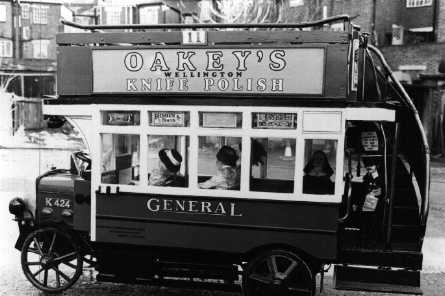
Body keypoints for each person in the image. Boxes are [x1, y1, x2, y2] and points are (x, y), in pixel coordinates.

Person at [357, 157, 384, 247]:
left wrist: (371, 194)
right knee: (364, 222)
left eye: (371, 165)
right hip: (367, 202)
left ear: (376, 166)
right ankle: (364, 240)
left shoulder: (379, 178)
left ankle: (371, 241)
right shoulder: (367, 177)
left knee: (372, 223)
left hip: (374, 203)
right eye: (367, 165)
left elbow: (380, 191)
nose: (369, 167)